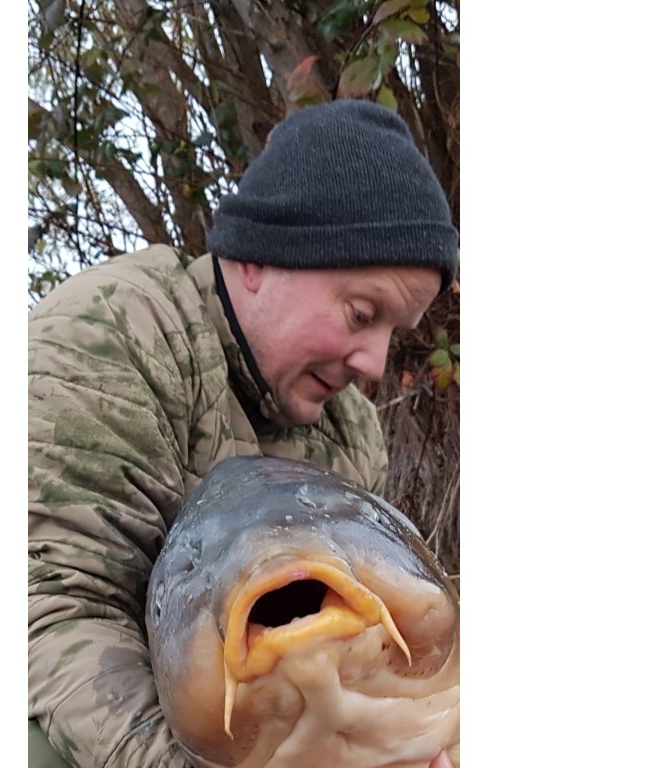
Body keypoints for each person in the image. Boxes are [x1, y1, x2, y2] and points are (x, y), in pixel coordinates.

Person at [28, 98, 459, 768]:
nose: (375, 364)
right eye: (361, 313)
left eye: (392, 332)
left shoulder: (351, 429)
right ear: (258, 258)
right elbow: (49, 613)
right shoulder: (113, 331)